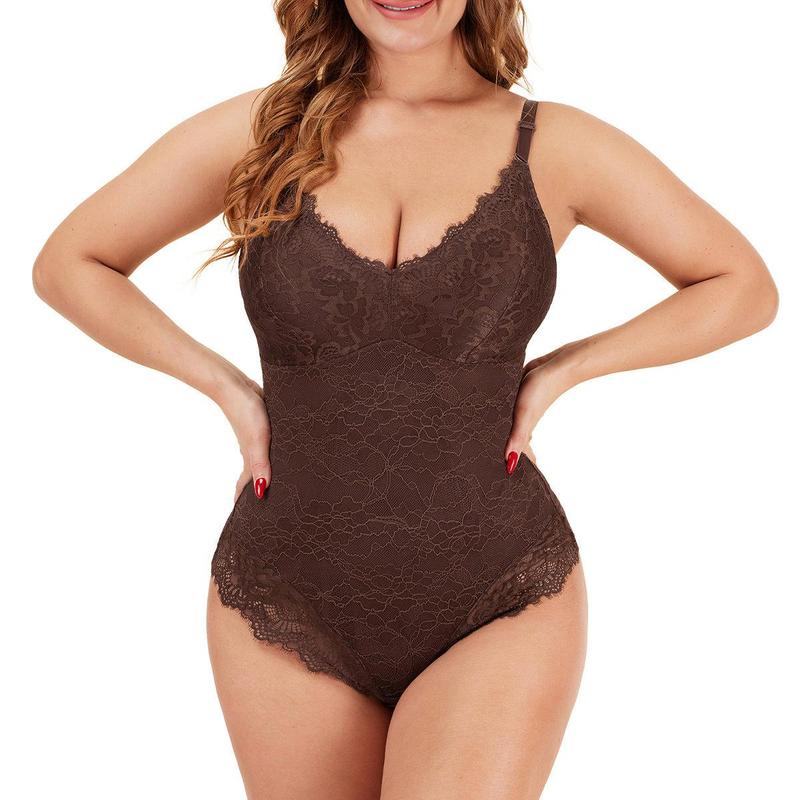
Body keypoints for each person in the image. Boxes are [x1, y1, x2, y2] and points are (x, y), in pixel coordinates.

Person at [32, 0, 778, 797]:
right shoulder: (266, 130)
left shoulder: (555, 144)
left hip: (497, 589)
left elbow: (741, 285)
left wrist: (564, 369)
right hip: (283, 596)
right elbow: (71, 262)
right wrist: (229, 390)